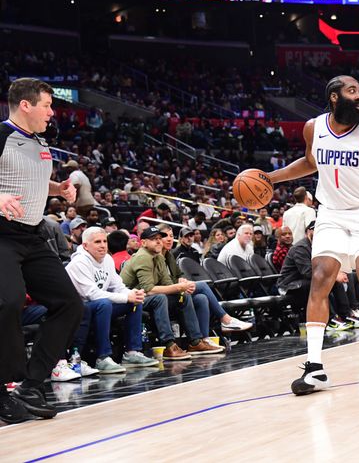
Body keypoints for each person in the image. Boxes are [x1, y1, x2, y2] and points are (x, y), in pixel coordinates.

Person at [268, 75, 359, 396]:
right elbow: (309, 162)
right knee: (321, 276)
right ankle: (314, 368)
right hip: (331, 213)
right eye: (351, 91)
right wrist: (271, 178)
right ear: (334, 97)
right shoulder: (313, 128)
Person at [0, 77, 84, 424]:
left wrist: (57, 189)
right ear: (26, 105)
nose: (52, 112)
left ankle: (31, 385)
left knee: (70, 303)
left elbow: (25, 178)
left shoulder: (39, 142)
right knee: (8, 301)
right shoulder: (2, 135)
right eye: (47, 105)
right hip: (2, 234)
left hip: (33, 236)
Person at [66, 227, 159, 373]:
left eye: (104, 241)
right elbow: (92, 294)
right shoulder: (79, 263)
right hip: (79, 309)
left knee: (134, 302)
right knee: (105, 303)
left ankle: (132, 352)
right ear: (85, 246)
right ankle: (103, 357)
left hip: (100, 305)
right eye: (97, 242)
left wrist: (132, 294)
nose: (103, 245)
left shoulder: (107, 259)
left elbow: (118, 286)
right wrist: (125, 297)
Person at [121, 227, 220, 358]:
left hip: (146, 298)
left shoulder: (159, 257)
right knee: (161, 298)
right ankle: (168, 345)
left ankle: (195, 342)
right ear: (143, 243)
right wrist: (179, 287)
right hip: (130, 299)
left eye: (158, 238)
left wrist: (182, 287)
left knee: (183, 296)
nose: (158, 242)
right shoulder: (142, 257)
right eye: (153, 239)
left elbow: (168, 283)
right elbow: (148, 289)